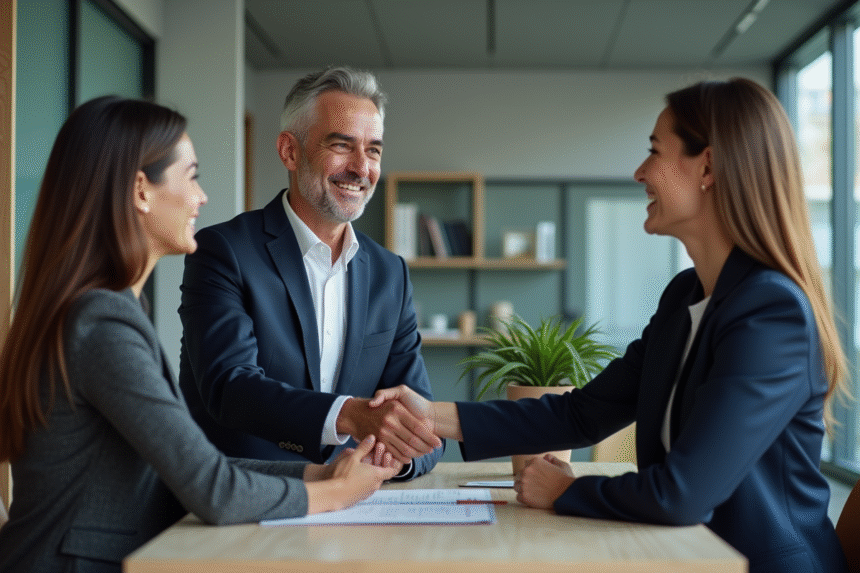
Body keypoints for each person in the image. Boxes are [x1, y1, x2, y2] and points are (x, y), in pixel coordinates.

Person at [372, 78, 849, 572]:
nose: (640, 172)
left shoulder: (772, 313)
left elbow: (682, 494)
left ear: (707, 167)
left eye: (655, 152)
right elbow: (582, 414)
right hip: (687, 557)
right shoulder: (684, 297)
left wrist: (566, 490)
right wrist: (427, 416)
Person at [0, 96, 398, 573]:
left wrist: (322, 471)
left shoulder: (108, 309)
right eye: (191, 176)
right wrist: (337, 493)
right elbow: (213, 490)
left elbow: (196, 467)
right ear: (141, 190)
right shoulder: (102, 322)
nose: (201, 197)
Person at [178, 66, 443, 479]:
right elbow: (231, 388)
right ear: (290, 151)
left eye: (373, 150)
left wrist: (400, 459)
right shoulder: (223, 251)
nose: (361, 168)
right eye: (342, 145)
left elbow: (420, 418)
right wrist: (349, 415)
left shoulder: (390, 273)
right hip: (246, 496)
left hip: (357, 500)